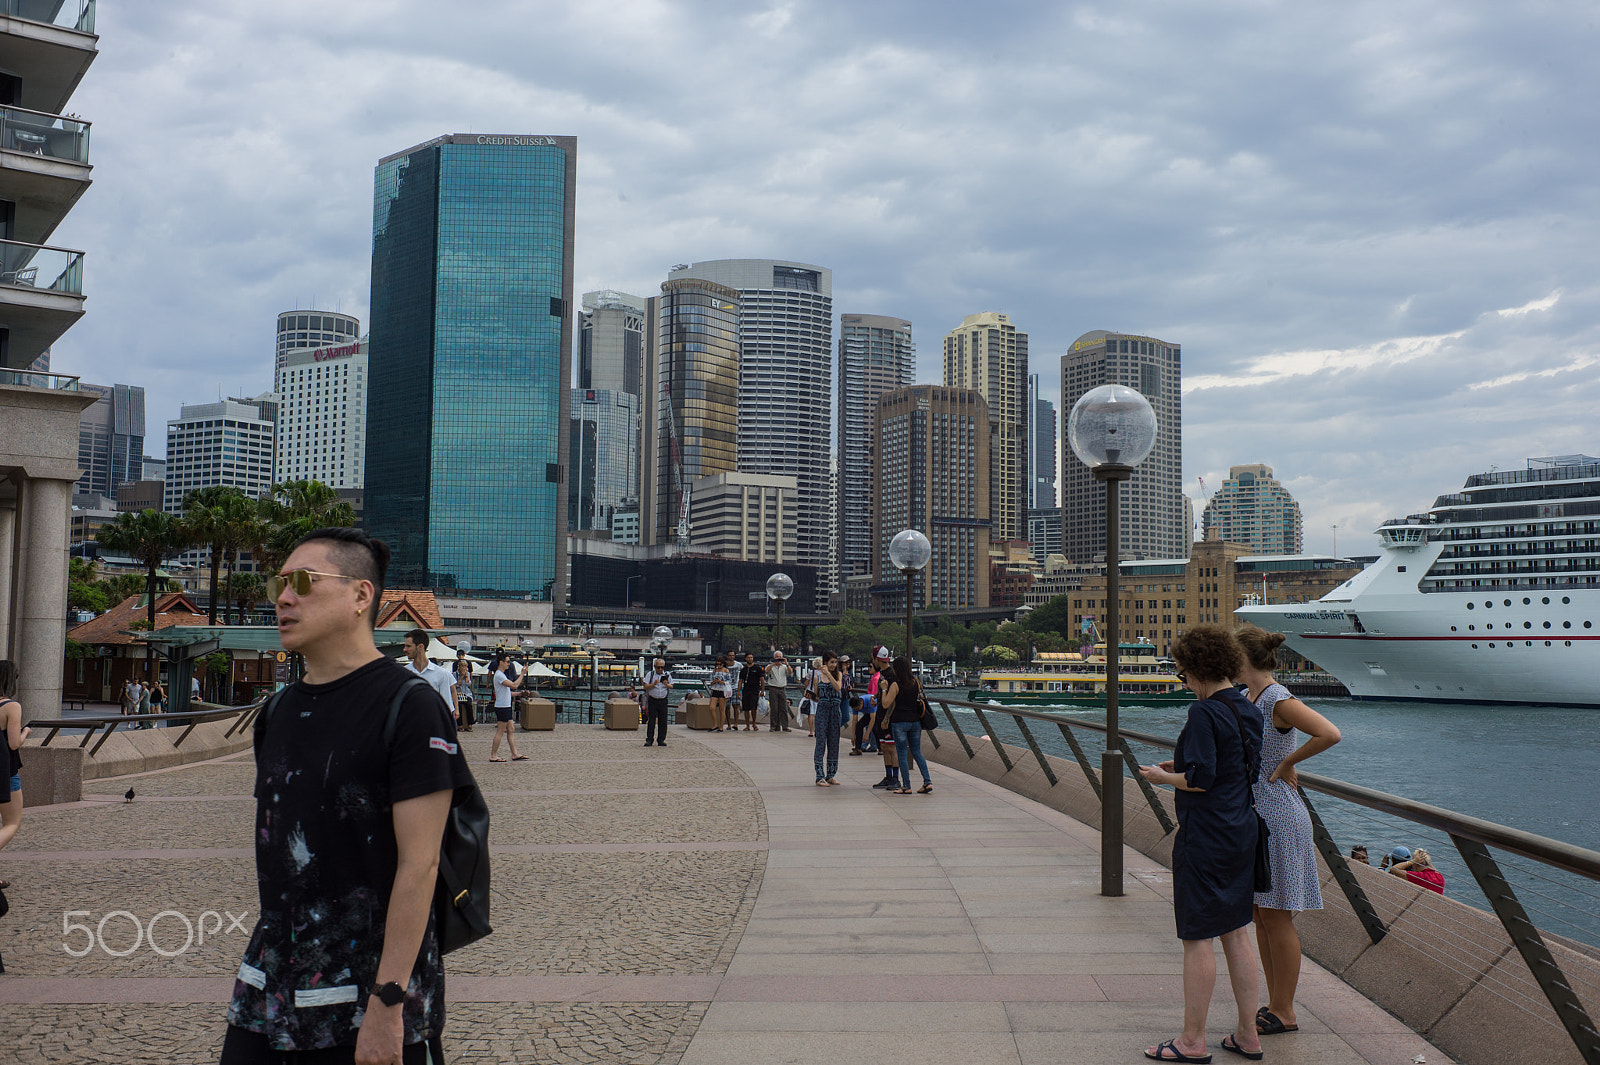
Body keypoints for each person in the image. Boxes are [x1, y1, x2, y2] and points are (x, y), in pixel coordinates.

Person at [222, 526, 473, 1064]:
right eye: (279, 585)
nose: (284, 598)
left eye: (304, 582)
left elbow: (420, 866)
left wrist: (388, 1006)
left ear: (361, 596)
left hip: (366, 998)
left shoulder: (408, 707)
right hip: (269, 983)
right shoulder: (277, 712)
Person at [1137, 624, 1264, 1063]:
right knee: (1237, 933)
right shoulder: (1247, 707)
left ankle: (1191, 1042)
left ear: (1198, 669)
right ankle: (1248, 1034)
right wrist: (1185, 765)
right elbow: (1234, 766)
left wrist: (1162, 776)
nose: (1184, 682)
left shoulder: (1202, 713)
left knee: (1197, 938)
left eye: (1183, 674)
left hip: (1206, 834)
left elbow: (1199, 780)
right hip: (1241, 830)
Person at [1236, 624, 1342, 1039]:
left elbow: (1329, 732)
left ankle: (1285, 1009)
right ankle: (1276, 1002)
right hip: (1259, 813)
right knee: (1262, 913)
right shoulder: (1249, 697)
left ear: (1242, 657)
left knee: (1276, 915)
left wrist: (1286, 763)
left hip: (1278, 815)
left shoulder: (1277, 698)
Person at [0, 660, 31, 891]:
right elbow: (13, 743)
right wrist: (26, 732)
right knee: (11, 822)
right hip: (5, 771)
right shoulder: (11, 706)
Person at [883, 656, 933, 794]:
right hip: (915, 722)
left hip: (899, 722)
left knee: (902, 754)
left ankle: (906, 785)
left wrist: (883, 690)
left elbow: (886, 703)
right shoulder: (915, 682)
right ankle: (927, 781)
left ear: (897, 669)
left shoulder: (895, 685)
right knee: (917, 752)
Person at [866, 647, 901, 788]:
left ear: (876, 659)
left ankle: (895, 778)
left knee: (892, 748)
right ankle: (888, 776)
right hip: (881, 713)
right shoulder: (882, 674)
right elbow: (883, 693)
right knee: (884, 746)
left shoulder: (891, 676)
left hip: (889, 717)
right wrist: (876, 697)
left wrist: (887, 719)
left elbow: (893, 700)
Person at [810, 651, 845, 786]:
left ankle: (831, 774)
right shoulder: (817, 678)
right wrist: (811, 696)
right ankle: (819, 775)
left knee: (834, 743)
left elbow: (838, 687)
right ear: (825, 662)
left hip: (835, 712)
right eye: (831, 662)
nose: (834, 665)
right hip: (822, 711)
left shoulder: (839, 675)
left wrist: (829, 674)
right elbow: (817, 696)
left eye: (835, 662)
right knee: (820, 743)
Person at [402, 629, 456, 713]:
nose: (404, 649)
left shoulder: (442, 674)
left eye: (408, 646)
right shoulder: (403, 673)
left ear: (420, 647)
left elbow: (446, 707)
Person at [488, 652, 527, 763]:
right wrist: (522, 674)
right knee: (500, 731)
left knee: (511, 729)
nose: (509, 664)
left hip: (506, 705)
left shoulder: (502, 675)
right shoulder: (499, 675)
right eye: (508, 661)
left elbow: (508, 693)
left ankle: (514, 754)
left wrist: (520, 694)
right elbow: (514, 685)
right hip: (502, 707)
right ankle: (493, 755)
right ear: (501, 662)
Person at [642, 658, 672, 747]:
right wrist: (653, 684)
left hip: (663, 700)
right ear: (655, 667)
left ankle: (661, 739)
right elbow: (645, 686)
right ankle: (649, 739)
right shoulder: (650, 674)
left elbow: (672, 686)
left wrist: (666, 684)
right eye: (658, 667)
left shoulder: (667, 674)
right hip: (653, 700)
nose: (660, 669)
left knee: (663, 721)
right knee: (651, 721)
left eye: (662, 667)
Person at [765, 652, 793, 732]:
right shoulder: (770, 666)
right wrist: (774, 663)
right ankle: (774, 726)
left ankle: (785, 726)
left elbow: (790, 672)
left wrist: (786, 663)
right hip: (773, 688)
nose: (778, 658)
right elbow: (766, 671)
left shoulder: (784, 667)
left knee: (783, 708)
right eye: (777, 657)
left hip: (782, 688)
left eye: (780, 657)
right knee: (774, 708)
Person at [738, 652, 762, 731]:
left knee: (753, 708)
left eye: (751, 657)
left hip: (755, 690)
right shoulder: (743, 670)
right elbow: (740, 681)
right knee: (746, 708)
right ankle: (747, 725)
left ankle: (754, 723)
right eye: (748, 657)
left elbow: (761, 679)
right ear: (745, 659)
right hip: (746, 690)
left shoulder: (757, 668)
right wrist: (739, 692)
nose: (750, 659)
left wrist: (762, 690)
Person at [708, 655, 732, 733]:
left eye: (720, 664)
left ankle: (721, 727)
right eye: (717, 664)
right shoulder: (714, 671)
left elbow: (729, 681)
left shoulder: (726, 670)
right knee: (711, 708)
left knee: (722, 709)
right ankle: (715, 724)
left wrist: (721, 681)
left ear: (723, 664)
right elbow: (710, 682)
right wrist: (714, 681)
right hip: (715, 690)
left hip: (723, 690)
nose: (718, 666)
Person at [800, 656, 821, 736]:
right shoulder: (823, 673)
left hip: (810, 694)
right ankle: (818, 731)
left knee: (811, 714)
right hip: (818, 694)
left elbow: (806, 684)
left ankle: (811, 731)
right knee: (818, 714)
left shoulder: (811, 672)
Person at [454, 652, 475, 732]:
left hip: (466, 693)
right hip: (458, 693)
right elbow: (456, 685)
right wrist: (461, 677)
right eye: (462, 666)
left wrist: (466, 677)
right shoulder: (455, 674)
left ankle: (470, 724)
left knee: (469, 705)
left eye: (465, 666)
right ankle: (460, 725)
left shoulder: (468, 674)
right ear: (459, 667)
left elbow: (469, 684)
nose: (464, 668)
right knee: (458, 706)